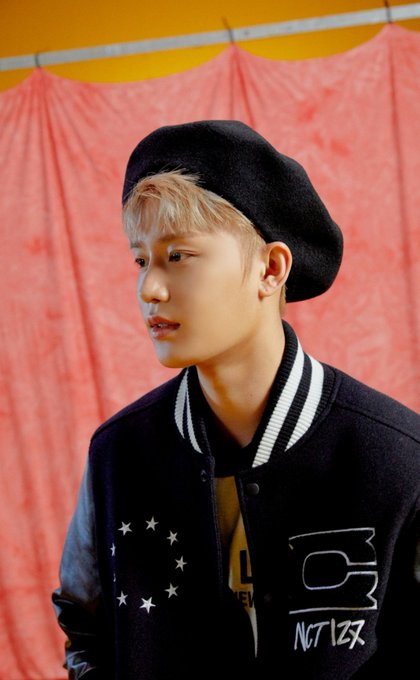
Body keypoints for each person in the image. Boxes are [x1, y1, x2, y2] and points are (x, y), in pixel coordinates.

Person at [52, 120, 420, 680]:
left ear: (270, 269)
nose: (149, 289)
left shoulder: (397, 458)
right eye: (141, 260)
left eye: (179, 256)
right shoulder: (118, 454)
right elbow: (85, 629)